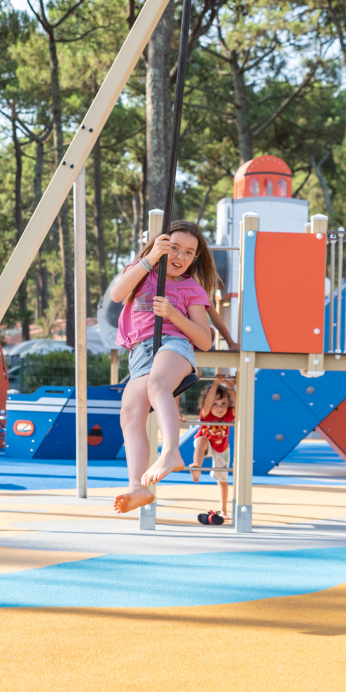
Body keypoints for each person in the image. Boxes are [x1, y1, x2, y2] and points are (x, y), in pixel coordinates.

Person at [109, 220, 219, 514]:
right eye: (173, 249)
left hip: (175, 345)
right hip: (140, 352)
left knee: (158, 385)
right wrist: (149, 259)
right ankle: (137, 486)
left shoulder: (191, 288)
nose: (180, 257)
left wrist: (172, 313)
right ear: (160, 247)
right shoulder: (141, 273)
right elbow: (117, 295)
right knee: (130, 413)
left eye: (188, 252)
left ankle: (171, 450)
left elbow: (205, 339)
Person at [191, 376, 235, 525]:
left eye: (224, 403)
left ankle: (223, 510)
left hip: (222, 447)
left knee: (223, 480)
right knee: (201, 440)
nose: (220, 407)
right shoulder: (206, 414)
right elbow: (209, 403)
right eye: (215, 404)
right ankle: (197, 467)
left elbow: (239, 404)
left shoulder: (229, 414)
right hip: (207, 443)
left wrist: (231, 388)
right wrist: (216, 384)